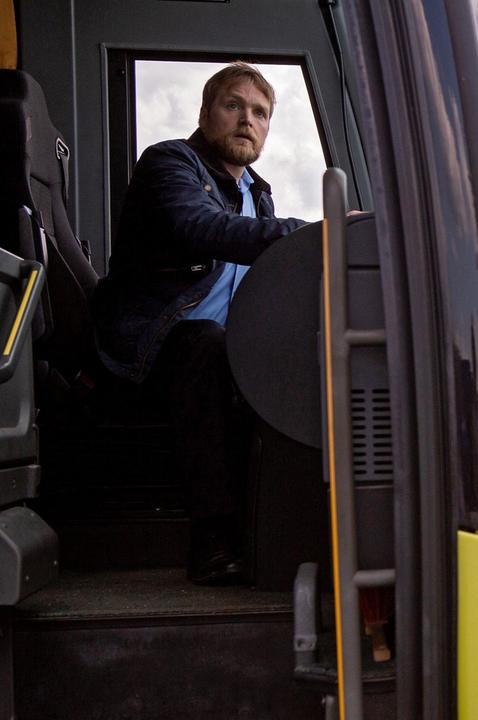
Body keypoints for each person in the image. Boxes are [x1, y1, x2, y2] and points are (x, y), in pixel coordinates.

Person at [93, 62, 308, 585]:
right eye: (233, 106)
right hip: (152, 348)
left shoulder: (259, 193)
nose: (246, 121)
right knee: (207, 346)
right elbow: (201, 227)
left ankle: (299, 537)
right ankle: (213, 539)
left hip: (223, 349)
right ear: (205, 113)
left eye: (260, 113)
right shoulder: (170, 163)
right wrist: (314, 231)